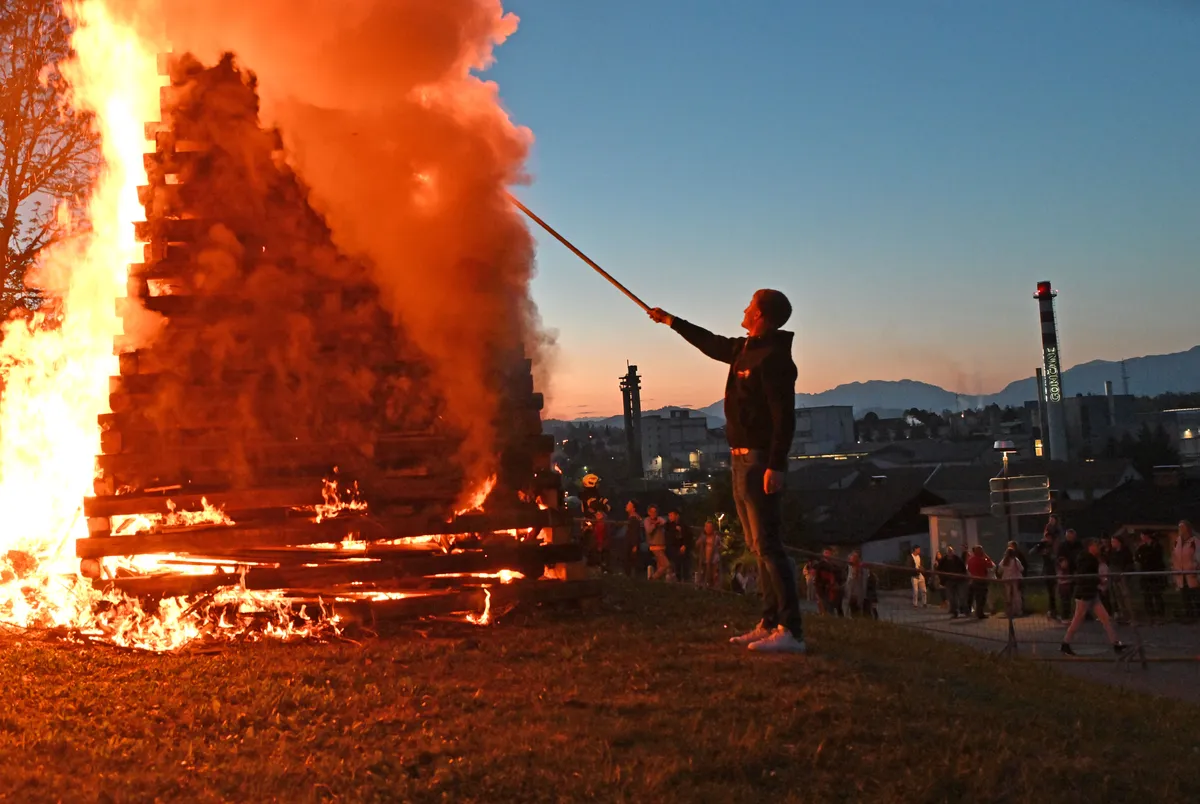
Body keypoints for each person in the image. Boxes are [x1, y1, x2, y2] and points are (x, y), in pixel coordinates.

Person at [649, 290, 805, 653]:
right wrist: (670, 320)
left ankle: (791, 630)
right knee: (755, 544)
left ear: (761, 314)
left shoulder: (775, 358)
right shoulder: (743, 350)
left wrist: (776, 465)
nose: (744, 309)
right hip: (738, 460)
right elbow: (709, 342)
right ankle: (768, 622)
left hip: (759, 461)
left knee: (769, 545)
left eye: (750, 305)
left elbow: (785, 419)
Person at [1061, 539, 1129, 656]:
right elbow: (1085, 576)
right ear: (1090, 547)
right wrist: (1099, 580)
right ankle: (1065, 643)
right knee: (1077, 620)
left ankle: (1116, 644)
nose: (1098, 548)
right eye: (1096, 546)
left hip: (1091, 593)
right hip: (1084, 594)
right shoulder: (1086, 560)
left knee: (1106, 619)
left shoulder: (1089, 559)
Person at [1136, 531, 1167, 620]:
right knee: (1147, 595)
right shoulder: (1142, 547)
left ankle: (1160, 614)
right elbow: (1138, 557)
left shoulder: (1156, 546)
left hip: (1155, 574)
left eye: (1142, 536)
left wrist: (1145, 558)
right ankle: (1151, 614)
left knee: (1157, 595)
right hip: (1145, 574)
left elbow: (1156, 558)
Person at [1029, 530, 1060, 619]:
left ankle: (1056, 610)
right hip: (1047, 572)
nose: (1047, 539)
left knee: (1055, 592)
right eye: (1046, 537)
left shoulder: (1054, 547)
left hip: (1054, 571)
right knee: (1051, 592)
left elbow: (1055, 557)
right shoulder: (1043, 546)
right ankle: (1052, 610)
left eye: (1049, 538)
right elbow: (1031, 552)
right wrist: (1039, 545)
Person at [1172, 520, 1199, 619]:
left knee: (1196, 596)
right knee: (1185, 597)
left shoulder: (1194, 541)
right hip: (1181, 575)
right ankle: (1189, 615)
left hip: (1192, 574)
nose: (1181, 530)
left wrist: (1195, 567)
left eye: (1183, 527)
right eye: (1179, 527)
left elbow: (1198, 556)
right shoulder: (1177, 541)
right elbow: (1174, 557)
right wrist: (1174, 571)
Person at [1107, 535, 1135, 624]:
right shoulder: (1111, 552)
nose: (1112, 544)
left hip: (1123, 576)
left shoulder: (1125, 551)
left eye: (1113, 541)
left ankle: (1132, 617)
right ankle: (1124, 616)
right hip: (1114, 576)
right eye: (1111, 542)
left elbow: (1130, 564)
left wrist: (1124, 573)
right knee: (1118, 597)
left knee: (1126, 596)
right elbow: (1110, 562)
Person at [939, 545, 968, 619]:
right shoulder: (943, 560)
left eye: (951, 551)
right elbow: (939, 570)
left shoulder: (957, 559)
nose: (950, 552)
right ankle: (954, 611)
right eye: (949, 551)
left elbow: (963, 569)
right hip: (949, 581)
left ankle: (965, 610)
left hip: (959, 580)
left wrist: (961, 576)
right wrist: (943, 579)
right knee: (951, 598)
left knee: (962, 596)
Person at [966, 546, 994, 619]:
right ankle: (980, 613)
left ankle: (976, 612)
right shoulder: (982, 560)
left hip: (974, 580)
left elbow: (968, 569)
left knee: (976, 597)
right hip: (982, 581)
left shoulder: (970, 559)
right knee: (981, 598)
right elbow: (990, 565)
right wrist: (986, 556)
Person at [644, 504, 671, 581]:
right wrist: (654, 525)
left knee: (660, 566)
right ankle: (652, 579)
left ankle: (657, 583)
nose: (653, 513)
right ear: (648, 512)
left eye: (655, 512)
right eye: (651, 512)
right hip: (654, 546)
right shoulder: (647, 520)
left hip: (662, 545)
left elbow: (664, 522)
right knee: (666, 565)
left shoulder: (659, 519)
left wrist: (659, 522)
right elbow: (648, 530)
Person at [815, 548, 845, 617]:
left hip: (833, 589)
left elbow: (839, 576)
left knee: (834, 606)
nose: (827, 555)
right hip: (824, 589)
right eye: (826, 553)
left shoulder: (835, 566)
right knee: (826, 607)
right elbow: (818, 578)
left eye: (829, 553)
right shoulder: (820, 565)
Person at [667, 510, 693, 585]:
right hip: (674, 548)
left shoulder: (684, 525)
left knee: (685, 566)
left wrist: (685, 545)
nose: (670, 517)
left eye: (671, 515)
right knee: (676, 566)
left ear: (677, 515)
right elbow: (669, 537)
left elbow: (689, 537)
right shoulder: (669, 525)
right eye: (669, 515)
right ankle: (677, 581)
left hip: (684, 548)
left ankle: (686, 581)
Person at [845, 552, 875, 618]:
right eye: (851, 560)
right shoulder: (848, 570)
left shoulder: (865, 571)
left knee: (867, 615)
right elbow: (847, 584)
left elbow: (871, 584)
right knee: (854, 615)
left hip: (864, 597)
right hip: (853, 597)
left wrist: (872, 598)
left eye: (855, 560)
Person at [998, 547, 1024, 618]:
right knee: (1017, 595)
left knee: (1008, 595)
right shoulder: (1015, 560)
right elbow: (1021, 568)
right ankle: (1018, 611)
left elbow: (1000, 570)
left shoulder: (1004, 561)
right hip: (1015, 579)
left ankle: (1009, 611)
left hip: (1006, 579)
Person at [623, 500, 643, 577]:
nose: (626, 505)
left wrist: (635, 545)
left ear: (633, 508)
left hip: (631, 545)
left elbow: (634, 532)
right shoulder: (633, 518)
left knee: (630, 563)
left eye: (629, 504)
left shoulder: (634, 519)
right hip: (631, 544)